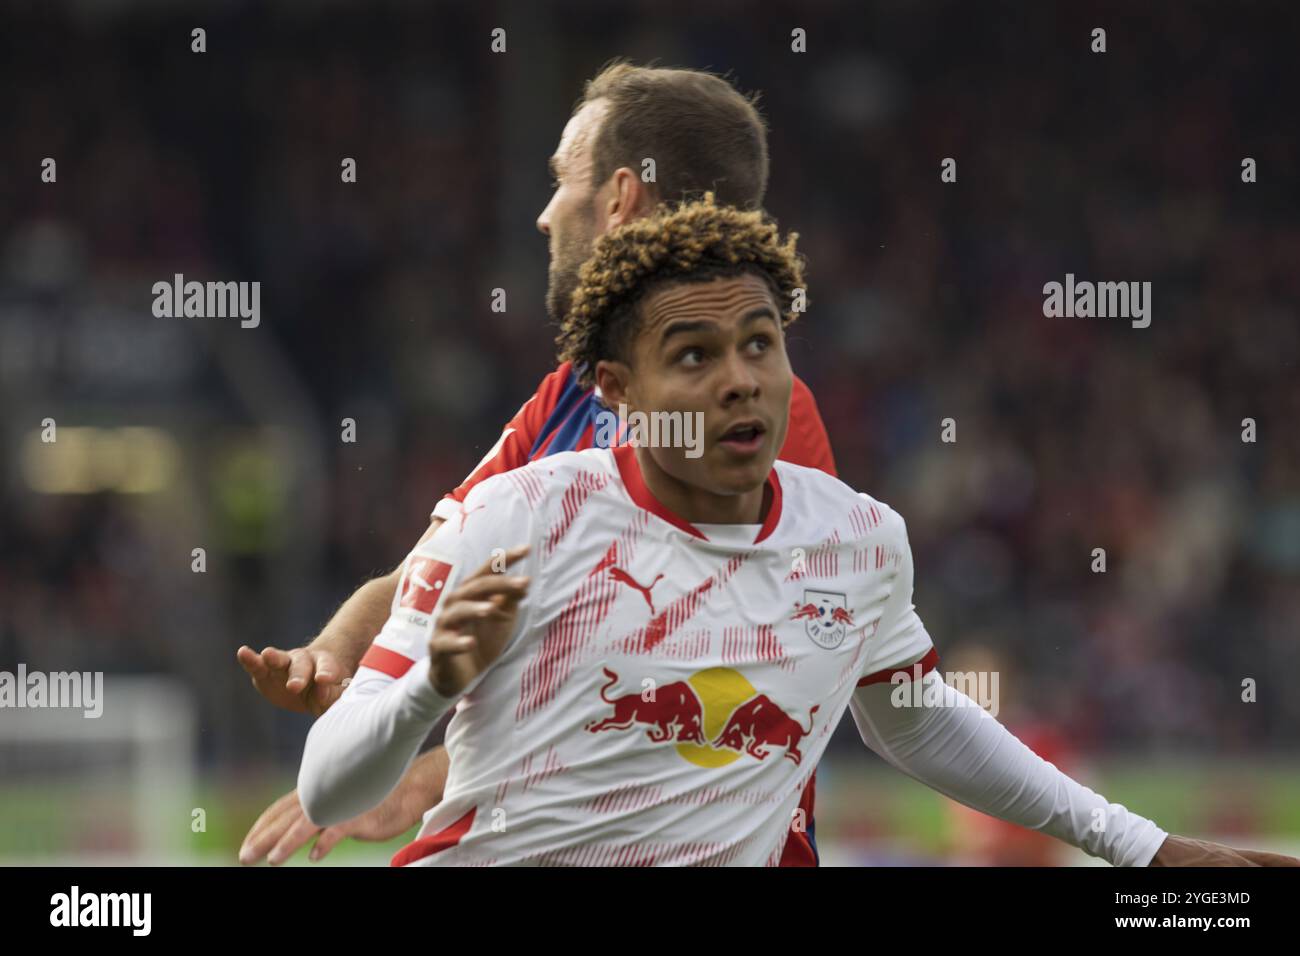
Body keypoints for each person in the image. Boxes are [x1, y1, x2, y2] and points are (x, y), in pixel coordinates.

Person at [296, 195, 1295, 867]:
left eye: (759, 344)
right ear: (617, 390)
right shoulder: (512, 519)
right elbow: (328, 783)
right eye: (691, 354)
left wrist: (1142, 848)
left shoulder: (858, 540)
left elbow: (917, 715)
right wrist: (431, 683)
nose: (739, 378)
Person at [238, 61, 832, 866]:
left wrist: (421, 776)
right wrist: (336, 656)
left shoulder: (758, 426)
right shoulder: (570, 396)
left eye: (563, 179)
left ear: (621, 197)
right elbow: (426, 570)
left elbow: (678, 698)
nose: (546, 215)